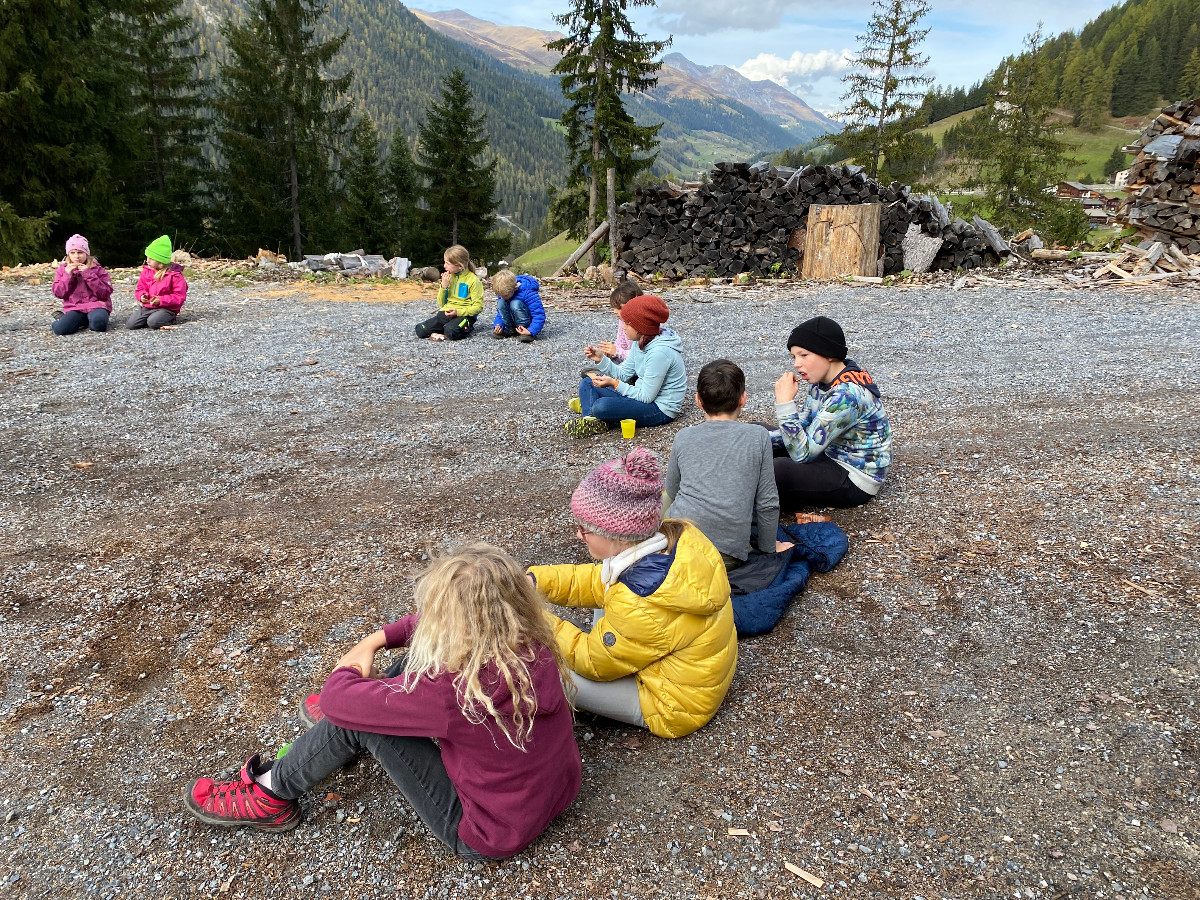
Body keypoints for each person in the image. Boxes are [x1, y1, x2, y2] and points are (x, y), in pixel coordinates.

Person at [184, 545, 582, 860]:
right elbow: (429, 626)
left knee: (351, 718)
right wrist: (377, 639)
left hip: (486, 832)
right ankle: (348, 731)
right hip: (553, 795)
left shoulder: (455, 694)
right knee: (416, 659)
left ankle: (270, 793)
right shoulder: (532, 639)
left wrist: (350, 670)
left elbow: (337, 699)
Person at [529, 448, 736, 739]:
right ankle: (618, 662)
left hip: (674, 707)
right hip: (695, 680)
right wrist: (536, 581)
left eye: (585, 529)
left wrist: (534, 618)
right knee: (606, 589)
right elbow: (593, 581)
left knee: (550, 672)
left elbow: (591, 662)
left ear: (616, 535)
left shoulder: (638, 598)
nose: (578, 534)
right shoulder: (678, 538)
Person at [664, 359, 787, 569]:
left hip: (677, 546)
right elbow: (767, 502)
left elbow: (673, 490)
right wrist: (769, 549)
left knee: (664, 498)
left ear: (698, 401)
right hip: (727, 555)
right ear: (743, 399)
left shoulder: (684, 436)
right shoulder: (758, 436)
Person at [771, 316, 892, 510]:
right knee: (758, 433)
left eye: (803, 355)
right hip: (828, 453)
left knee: (778, 470)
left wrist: (785, 404)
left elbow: (802, 453)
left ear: (828, 353)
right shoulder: (822, 382)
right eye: (794, 357)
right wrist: (755, 441)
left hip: (854, 477)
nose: (796, 364)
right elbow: (802, 423)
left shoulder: (847, 395)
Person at [566, 294, 685, 438]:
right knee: (588, 382)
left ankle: (593, 410)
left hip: (660, 409)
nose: (623, 327)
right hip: (641, 396)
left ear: (640, 327)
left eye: (627, 323)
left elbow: (646, 397)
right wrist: (601, 359)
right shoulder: (640, 341)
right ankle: (591, 421)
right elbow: (623, 374)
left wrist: (614, 384)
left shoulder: (660, 353)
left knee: (601, 406)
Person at [415, 245, 484, 341]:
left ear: (460, 266)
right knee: (420, 330)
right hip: (446, 313)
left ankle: (465, 327)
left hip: (464, 315)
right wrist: (444, 286)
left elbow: (478, 307)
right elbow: (441, 303)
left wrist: (458, 312)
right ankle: (446, 327)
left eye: (447, 263)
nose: (444, 266)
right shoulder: (449, 277)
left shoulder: (473, 281)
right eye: (445, 262)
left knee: (451, 332)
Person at [51, 234, 113, 335]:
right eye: (72, 253)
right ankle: (66, 320)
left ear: (86, 253)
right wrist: (67, 276)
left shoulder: (97, 269)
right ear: (68, 254)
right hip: (75, 307)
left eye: (80, 252)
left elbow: (105, 293)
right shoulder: (63, 270)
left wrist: (89, 274)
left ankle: (87, 321)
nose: (76, 256)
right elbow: (59, 293)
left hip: (97, 305)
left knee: (98, 325)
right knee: (60, 330)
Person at [128, 235, 188, 330]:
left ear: (161, 260)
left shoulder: (175, 275)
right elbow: (140, 288)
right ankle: (152, 317)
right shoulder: (146, 271)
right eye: (147, 257)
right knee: (131, 324)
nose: (147, 260)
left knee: (153, 323)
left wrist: (161, 300)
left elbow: (179, 296)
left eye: (151, 258)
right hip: (148, 306)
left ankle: (169, 318)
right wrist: (142, 295)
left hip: (167, 308)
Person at [491, 270, 545, 343]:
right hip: (511, 322)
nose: (502, 297)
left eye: (505, 295)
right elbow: (500, 313)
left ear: (515, 288)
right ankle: (509, 330)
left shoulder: (528, 293)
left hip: (526, 324)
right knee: (501, 303)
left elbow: (538, 314)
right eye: (500, 295)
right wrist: (498, 325)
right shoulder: (504, 293)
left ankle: (524, 331)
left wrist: (531, 330)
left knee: (515, 304)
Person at [598, 280, 641, 363]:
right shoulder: (622, 320)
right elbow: (621, 343)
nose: (614, 311)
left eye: (619, 308)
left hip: (639, 365)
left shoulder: (644, 325)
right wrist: (610, 351)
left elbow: (641, 356)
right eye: (614, 308)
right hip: (627, 360)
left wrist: (617, 352)